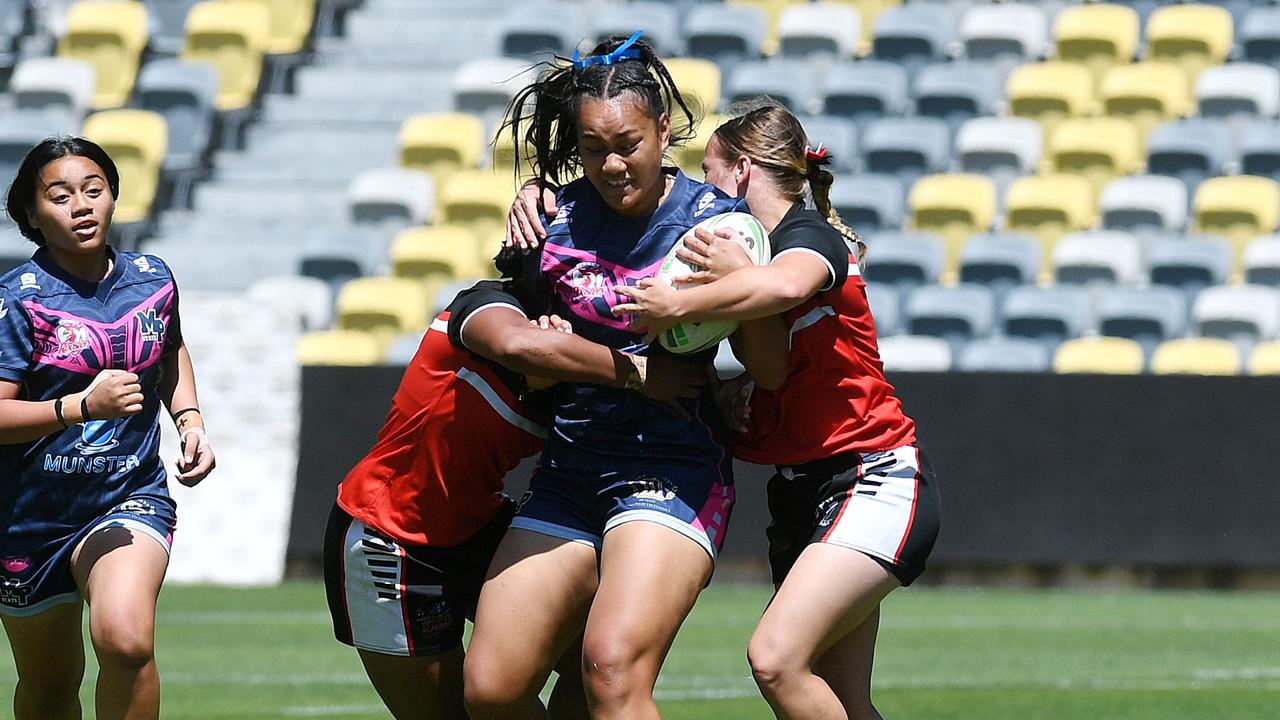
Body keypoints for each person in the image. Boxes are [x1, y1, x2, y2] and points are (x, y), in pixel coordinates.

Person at [512, 103, 942, 720]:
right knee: (842, 700)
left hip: (874, 477)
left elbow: (785, 286)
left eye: (709, 175)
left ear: (741, 172)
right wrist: (537, 193)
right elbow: (771, 364)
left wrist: (673, 304)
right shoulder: (739, 263)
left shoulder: (806, 235)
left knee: (775, 657)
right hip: (804, 491)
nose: (699, 198)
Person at [461, 33, 751, 720]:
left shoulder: (717, 225)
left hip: (674, 469)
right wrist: (543, 343)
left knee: (612, 672)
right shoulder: (551, 222)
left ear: (666, 130)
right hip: (570, 474)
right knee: (491, 690)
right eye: (594, 149)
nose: (613, 163)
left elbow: (766, 336)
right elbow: (520, 340)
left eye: (629, 144)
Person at [323, 249, 705, 720]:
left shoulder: (586, 353)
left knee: (601, 670)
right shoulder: (486, 305)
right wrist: (640, 375)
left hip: (481, 527)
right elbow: (519, 346)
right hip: (390, 537)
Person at [0, 137, 215, 720]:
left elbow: (170, 352)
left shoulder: (152, 278)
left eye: (94, 190)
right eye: (61, 196)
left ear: (115, 196)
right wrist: (80, 407)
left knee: (126, 640)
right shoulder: (17, 302)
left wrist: (190, 421)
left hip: (126, 498)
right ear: (30, 214)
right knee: (48, 684)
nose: (82, 205)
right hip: (27, 516)